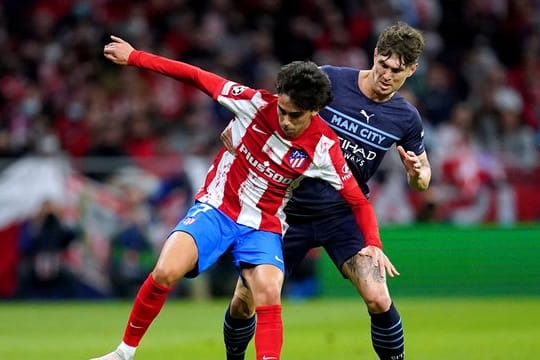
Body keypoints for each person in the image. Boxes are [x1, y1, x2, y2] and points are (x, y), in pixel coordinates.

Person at [92, 35, 395, 360]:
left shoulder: (324, 147)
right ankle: (123, 353)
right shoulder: (252, 102)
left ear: (315, 110)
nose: (285, 120)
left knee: (267, 292)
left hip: (263, 225)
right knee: (166, 270)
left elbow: (358, 201)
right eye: (283, 110)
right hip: (217, 208)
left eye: (296, 115)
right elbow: (195, 75)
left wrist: (373, 242)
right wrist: (135, 56)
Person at [221, 21, 431, 360]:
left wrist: (418, 174)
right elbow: (279, 104)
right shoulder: (331, 79)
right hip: (285, 210)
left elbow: (423, 181)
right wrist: (239, 129)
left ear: (412, 69)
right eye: (383, 65)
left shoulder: (406, 118)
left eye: (397, 70)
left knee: (378, 296)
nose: (387, 75)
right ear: (374, 54)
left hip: (342, 214)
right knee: (245, 301)